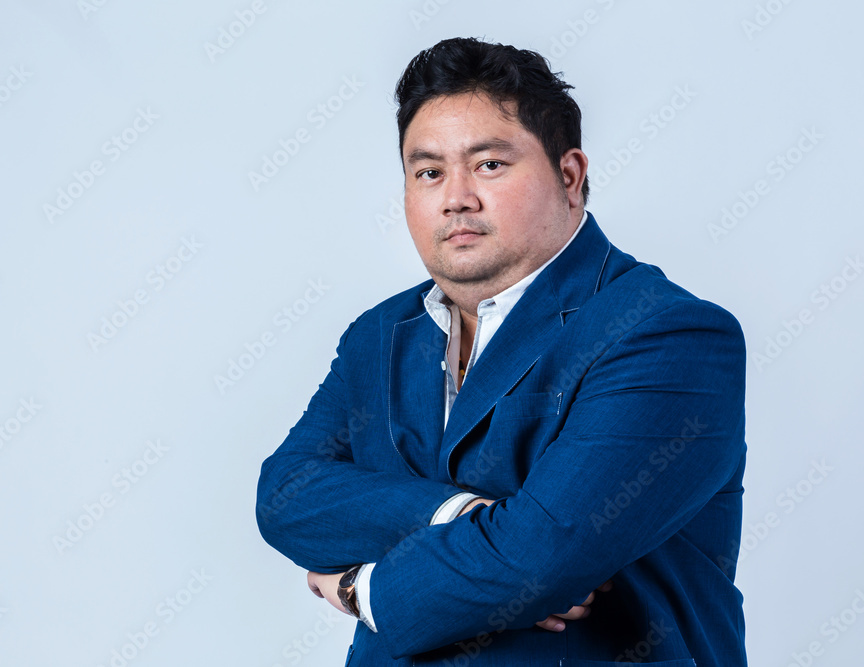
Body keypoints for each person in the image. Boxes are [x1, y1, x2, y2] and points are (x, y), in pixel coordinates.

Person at [256, 36, 747, 666]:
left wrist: (357, 587)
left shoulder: (667, 335)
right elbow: (287, 497)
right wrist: (463, 514)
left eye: (489, 165)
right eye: (428, 172)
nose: (455, 196)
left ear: (570, 177)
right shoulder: (379, 336)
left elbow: (539, 560)